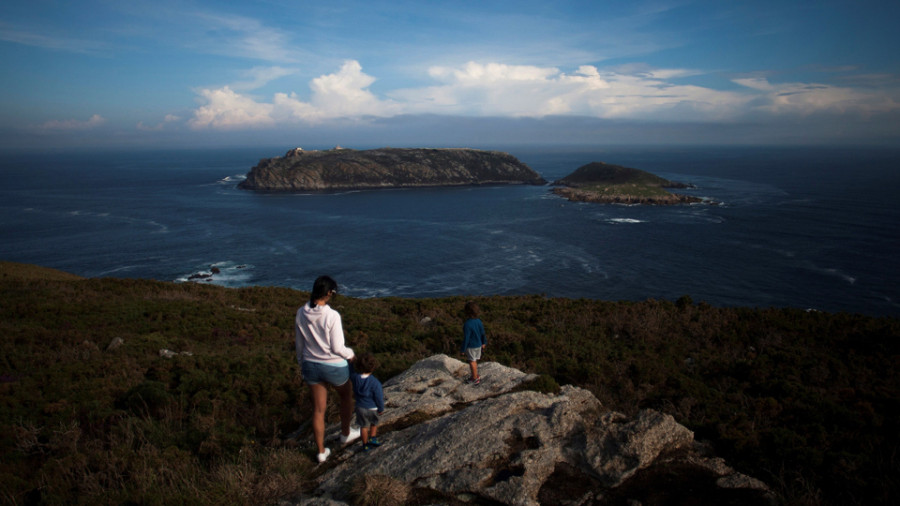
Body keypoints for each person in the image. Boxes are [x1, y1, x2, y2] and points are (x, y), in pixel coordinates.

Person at [295, 275, 359, 463]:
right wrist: (351, 355)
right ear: (329, 293)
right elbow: (337, 348)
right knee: (346, 396)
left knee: (318, 409)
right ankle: (346, 433)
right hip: (333, 365)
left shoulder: (301, 312)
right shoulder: (332, 316)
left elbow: (299, 344)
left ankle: (321, 452)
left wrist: (302, 363)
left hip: (310, 366)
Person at [349, 352, 385, 451]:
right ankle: (373, 437)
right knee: (374, 423)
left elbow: (350, 373)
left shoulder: (355, 378)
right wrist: (381, 408)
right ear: (373, 367)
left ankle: (365, 444)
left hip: (360, 407)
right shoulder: (375, 382)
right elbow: (378, 397)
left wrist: (350, 363)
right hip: (372, 407)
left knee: (363, 427)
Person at [460, 301, 487, 385]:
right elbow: (482, 333)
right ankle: (475, 375)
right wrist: (484, 342)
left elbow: (466, 338)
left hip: (471, 346)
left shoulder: (467, 324)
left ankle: (474, 378)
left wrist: (462, 349)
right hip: (479, 344)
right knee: (474, 360)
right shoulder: (479, 321)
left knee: (472, 361)